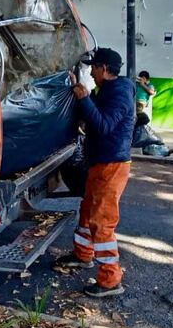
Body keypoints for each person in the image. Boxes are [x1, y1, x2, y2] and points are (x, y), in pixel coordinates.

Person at [55, 48, 135, 298]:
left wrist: (84, 99)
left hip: (111, 166)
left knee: (101, 221)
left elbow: (103, 125)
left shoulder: (120, 93)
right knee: (88, 211)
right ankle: (82, 256)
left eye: (93, 67)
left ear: (103, 68)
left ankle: (111, 280)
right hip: (100, 163)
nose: (90, 71)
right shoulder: (110, 90)